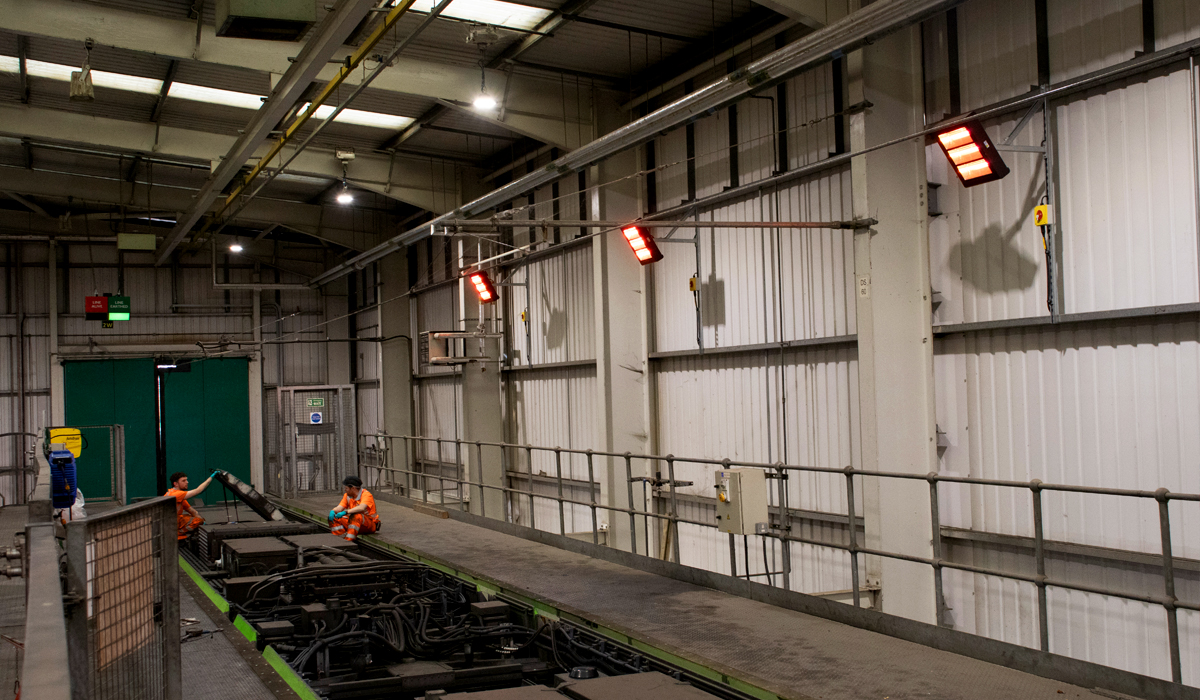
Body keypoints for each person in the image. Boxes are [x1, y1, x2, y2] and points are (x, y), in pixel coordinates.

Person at [165, 471, 217, 540]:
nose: (187, 482)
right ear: (175, 484)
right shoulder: (176, 495)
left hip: (170, 522)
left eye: (186, 480)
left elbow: (192, 511)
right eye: (183, 481)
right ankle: (179, 533)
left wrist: (202, 522)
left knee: (196, 520)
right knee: (195, 521)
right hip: (171, 525)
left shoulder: (177, 495)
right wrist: (211, 478)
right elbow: (198, 490)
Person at [329, 475, 379, 542]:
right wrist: (333, 511)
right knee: (334, 518)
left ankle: (348, 541)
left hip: (369, 525)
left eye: (346, 488)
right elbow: (340, 507)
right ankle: (339, 539)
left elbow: (361, 508)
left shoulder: (366, 495)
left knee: (356, 516)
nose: (345, 490)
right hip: (355, 523)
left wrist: (346, 512)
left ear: (353, 488)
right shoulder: (347, 496)